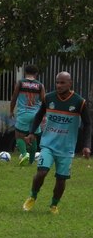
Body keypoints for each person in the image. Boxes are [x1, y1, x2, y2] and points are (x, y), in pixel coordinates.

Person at [22, 71, 90, 214]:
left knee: (61, 179)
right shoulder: (49, 98)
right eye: (57, 82)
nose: (58, 85)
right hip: (48, 144)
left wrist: (86, 146)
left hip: (66, 148)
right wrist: (31, 133)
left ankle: (54, 205)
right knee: (42, 172)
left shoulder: (79, 102)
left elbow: (88, 124)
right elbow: (39, 115)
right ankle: (32, 196)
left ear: (70, 83)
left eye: (62, 82)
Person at [10, 64, 45, 166]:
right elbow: (44, 101)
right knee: (33, 137)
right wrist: (43, 115)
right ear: (36, 74)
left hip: (23, 113)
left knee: (19, 136)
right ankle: (30, 162)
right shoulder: (40, 85)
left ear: (25, 72)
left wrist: (11, 111)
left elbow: (14, 98)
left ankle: (25, 154)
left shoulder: (20, 83)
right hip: (36, 115)